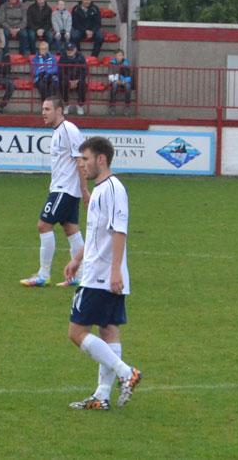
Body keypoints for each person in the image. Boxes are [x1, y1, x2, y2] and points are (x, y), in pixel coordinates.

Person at [63, 136, 143, 410]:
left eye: (85, 159)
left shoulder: (113, 189)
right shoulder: (99, 190)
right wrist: (77, 259)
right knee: (108, 331)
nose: (82, 165)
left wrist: (114, 271)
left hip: (101, 276)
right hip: (99, 271)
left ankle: (126, 372)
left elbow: (119, 231)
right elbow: (98, 235)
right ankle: (102, 396)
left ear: (101, 159)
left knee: (76, 332)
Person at [18, 96, 88, 287]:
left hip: (64, 190)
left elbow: (80, 160)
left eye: (47, 109)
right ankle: (80, 276)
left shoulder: (68, 130)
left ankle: (43, 274)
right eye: (43, 109)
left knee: (43, 225)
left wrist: (85, 191)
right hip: (64, 189)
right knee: (71, 230)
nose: (43, 113)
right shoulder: (58, 131)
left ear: (59, 111)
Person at [60, 44, 89, 115]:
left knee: (83, 84)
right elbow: (60, 72)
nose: (69, 52)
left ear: (75, 50)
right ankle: (66, 105)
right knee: (62, 84)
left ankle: (80, 105)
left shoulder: (81, 58)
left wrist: (77, 80)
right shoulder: (62, 58)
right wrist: (68, 80)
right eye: (68, 50)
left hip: (78, 79)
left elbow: (84, 71)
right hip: (67, 79)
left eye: (71, 50)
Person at [108, 49, 134, 114]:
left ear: (123, 56)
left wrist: (123, 81)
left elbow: (129, 75)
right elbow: (110, 75)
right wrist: (116, 80)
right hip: (115, 80)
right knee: (114, 86)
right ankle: (112, 106)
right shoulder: (112, 63)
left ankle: (127, 106)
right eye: (118, 55)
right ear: (115, 56)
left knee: (128, 86)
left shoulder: (126, 63)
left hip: (124, 80)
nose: (119, 57)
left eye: (120, 55)